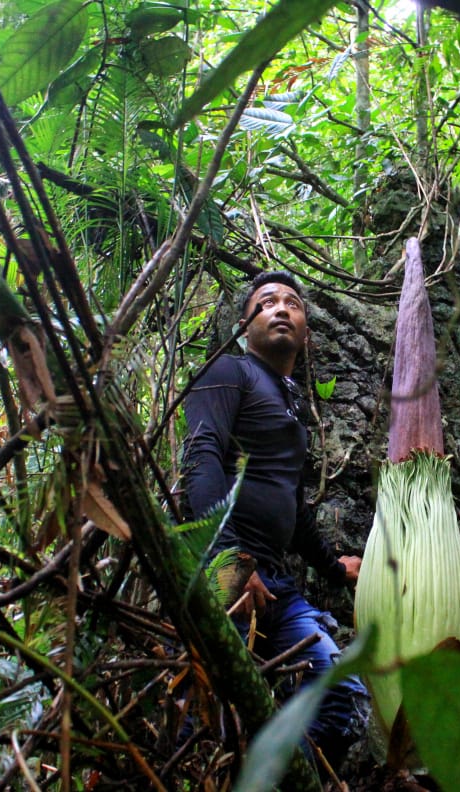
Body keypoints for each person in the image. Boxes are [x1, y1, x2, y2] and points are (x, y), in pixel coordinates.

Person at [180, 270, 369, 767]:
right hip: (224, 576)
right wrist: (232, 563)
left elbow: (294, 504)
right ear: (245, 327)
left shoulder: (292, 405)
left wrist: (335, 570)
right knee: (203, 719)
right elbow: (200, 460)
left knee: (340, 694)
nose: (281, 308)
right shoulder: (228, 372)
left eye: (292, 302)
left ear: (306, 333)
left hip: (276, 587)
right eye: (266, 303)